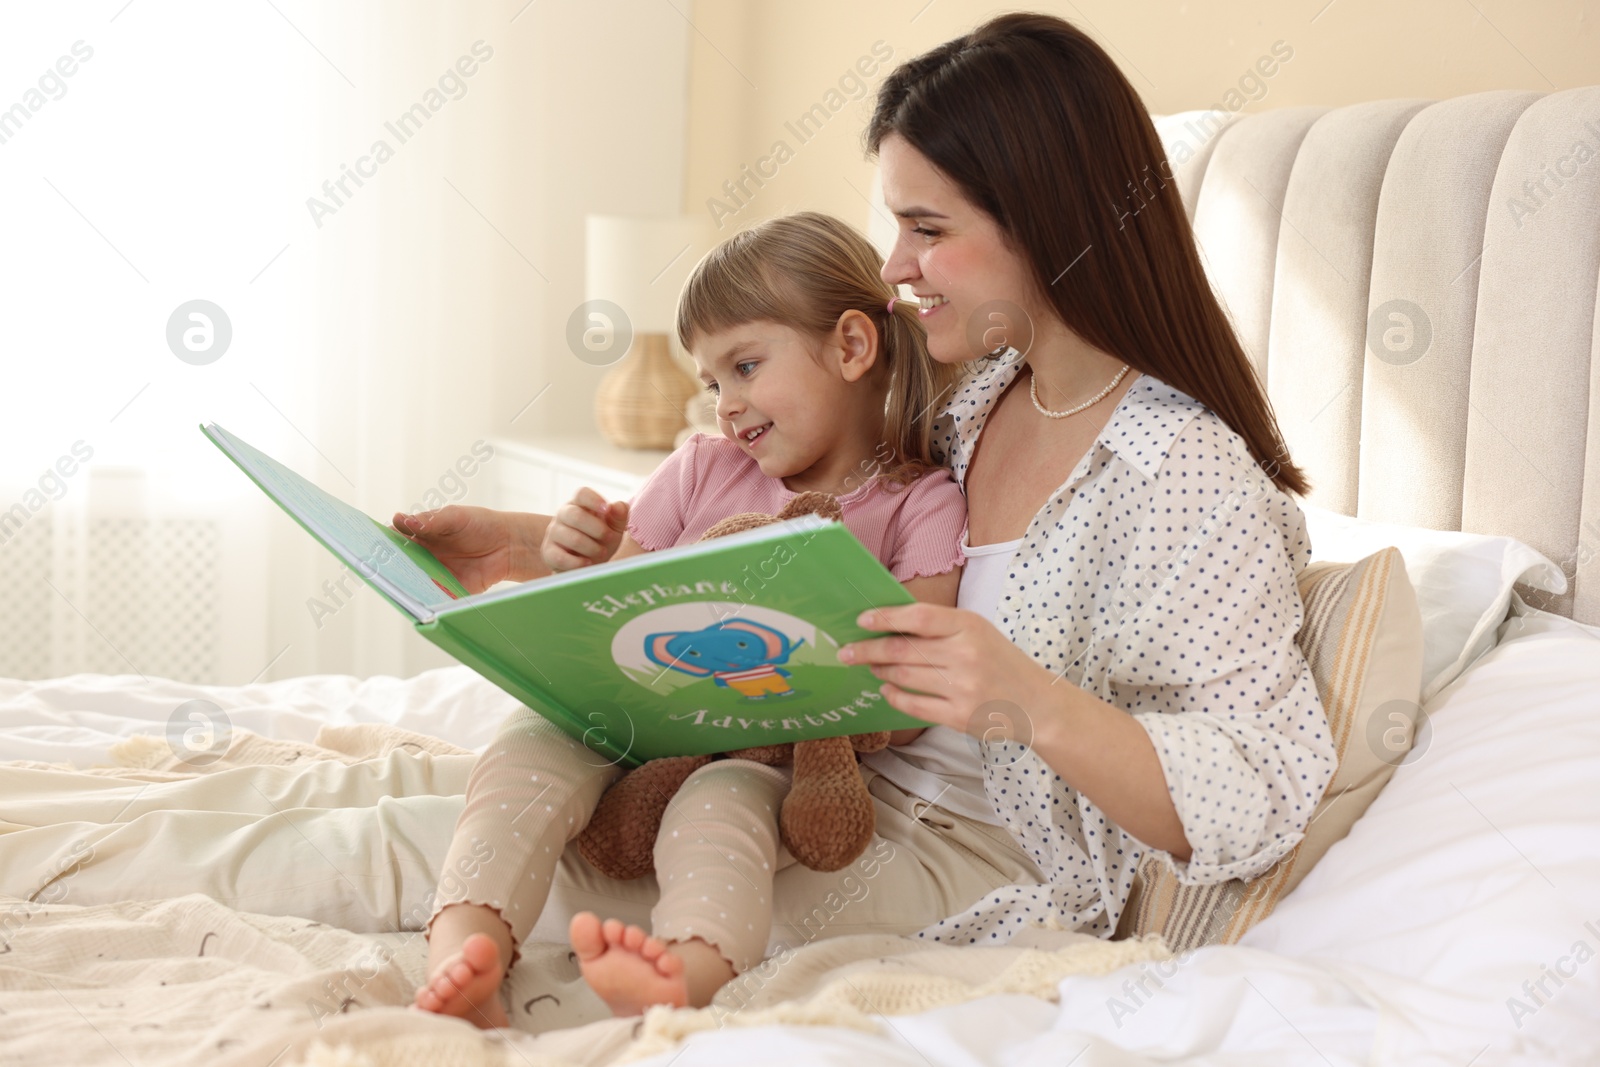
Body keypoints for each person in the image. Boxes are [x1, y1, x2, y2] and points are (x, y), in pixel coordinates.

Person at [403, 211, 1039, 1024]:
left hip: (768, 754)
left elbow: (909, 694)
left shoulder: (921, 504)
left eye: (744, 366)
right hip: (628, 720)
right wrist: (575, 557)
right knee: (524, 749)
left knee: (725, 803)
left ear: (851, 347)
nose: (726, 406)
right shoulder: (701, 467)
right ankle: (466, 948)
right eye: (711, 383)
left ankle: (685, 972)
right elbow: (617, 605)